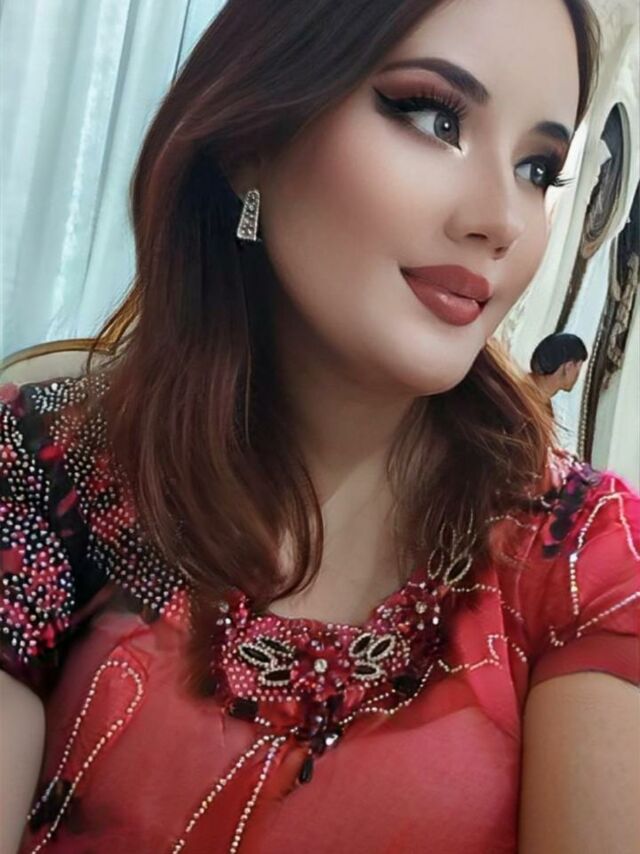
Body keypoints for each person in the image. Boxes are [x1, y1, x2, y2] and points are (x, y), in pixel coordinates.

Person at [1, 1, 638, 852]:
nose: (503, 219)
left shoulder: (587, 559)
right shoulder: (43, 471)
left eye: (538, 168)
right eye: (435, 118)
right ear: (252, 138)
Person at [528, 332, 588, 412]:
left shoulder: (544, 406)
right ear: (569, 367)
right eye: (579, 367)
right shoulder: (523, 399)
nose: (578, 375)